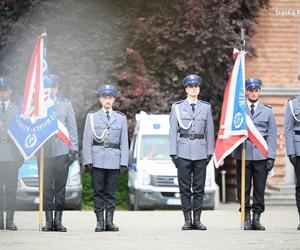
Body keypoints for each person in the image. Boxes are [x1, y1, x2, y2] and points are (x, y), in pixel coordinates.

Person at [169, 74, 214, 230]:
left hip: (201, 151)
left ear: (199, 88)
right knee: (185, 188)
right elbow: (173, 131)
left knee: (199, 188)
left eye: (196, 86)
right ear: (186, 89)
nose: (194, 89)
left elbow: (209, 131)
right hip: (183, 151)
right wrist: (173, 153)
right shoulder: (177, 107)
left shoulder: (206, 107)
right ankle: (187, 220)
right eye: (191, 86)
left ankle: (197, 219)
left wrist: (210, 152)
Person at [82, 84, 128, 232]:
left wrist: (124, 162)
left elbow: (124, 142)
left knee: (111, 193)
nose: (107, 100)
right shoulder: (92, 117)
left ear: (113, 99)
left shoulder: (121, 118)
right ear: (100, 99)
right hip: (97, 159)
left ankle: (109, 222)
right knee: (98, 192)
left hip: (114, 159)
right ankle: (99, 222)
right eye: (105, 97)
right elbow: (87, 140)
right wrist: (88, 160)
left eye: (110, 97)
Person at [232, 78, 277, 230]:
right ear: (246, 91)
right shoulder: (239, 109)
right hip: (243, 154)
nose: (253, 93)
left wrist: (271, 156)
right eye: (250, 90)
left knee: (259, 188)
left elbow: (272, 134)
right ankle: (245, 217)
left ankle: (256, 218)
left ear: (259, 91)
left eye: (256, 90)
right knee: (242, 188)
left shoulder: (267, 111)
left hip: (260, 155)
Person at [41, 74, 78, 232]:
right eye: (49, 87)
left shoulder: (65, 105)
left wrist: (73, 149)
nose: (51, 90)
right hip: (44, 152)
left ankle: (58, 221)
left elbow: (72, 128)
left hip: (62, 151)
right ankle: (48, 222)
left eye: (54, 87)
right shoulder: (40, 106)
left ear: (58, 88)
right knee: (46, 187)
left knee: (60, 188)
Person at [0, 77, 23, 231]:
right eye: (0, 90)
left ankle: (10, 220)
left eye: (5, 90)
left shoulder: (17, 110)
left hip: (12, 156)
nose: (2, 93)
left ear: (10, 91)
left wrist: (20, 157)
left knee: (10, 190)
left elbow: (22, 133)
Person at [284, 79, 300, 230]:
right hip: (298, 149)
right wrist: (290, 151)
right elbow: (288, 129)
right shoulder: (292, 104)